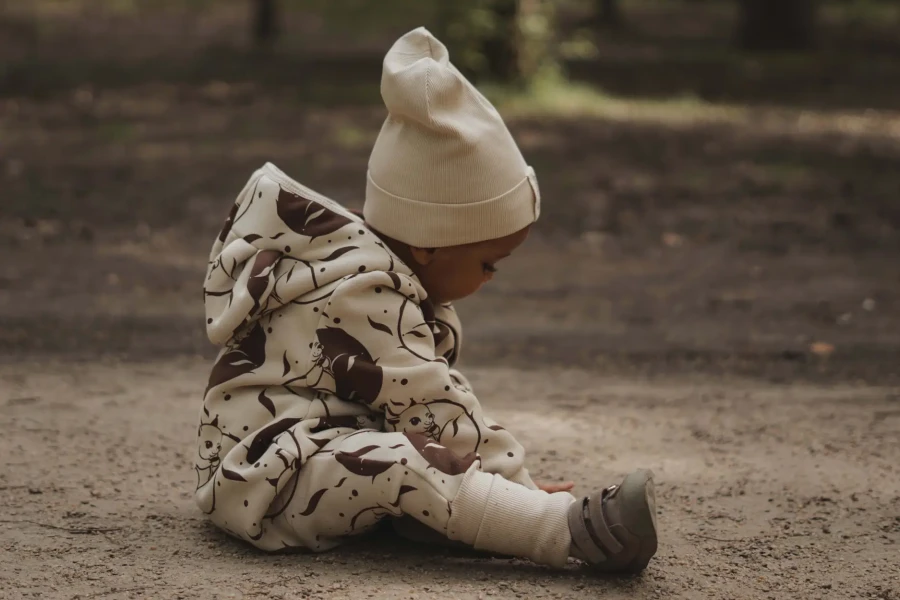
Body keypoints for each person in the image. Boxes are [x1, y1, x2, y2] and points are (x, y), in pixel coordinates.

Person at [194, 27, 657, 573]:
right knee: (405, 459)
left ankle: (453, 517)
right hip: (267, 482)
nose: (491, 279)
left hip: (312, 454)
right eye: (488, 262)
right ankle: (561, 532)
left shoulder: (372, 273)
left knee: (409, 456)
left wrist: (485, 477)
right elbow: (434, 405)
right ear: (429, 242)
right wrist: (522, 491)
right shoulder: (363, 291)